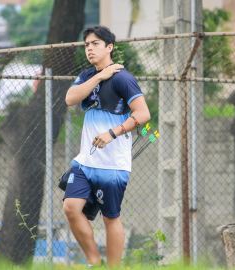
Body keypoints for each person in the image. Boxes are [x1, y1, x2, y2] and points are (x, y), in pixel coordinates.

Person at [63, 25, 151, 268]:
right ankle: (94, 262)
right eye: (87, 45)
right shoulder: (87, 75)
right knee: (71, 208)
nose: (89, 49)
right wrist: (99, 76)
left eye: (95, 44)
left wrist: (113, 132)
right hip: (84, 161)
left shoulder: (123, 78)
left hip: (112, 165)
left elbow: (143, 114)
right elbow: (71, 99)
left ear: (109, 47)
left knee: (111, 218)